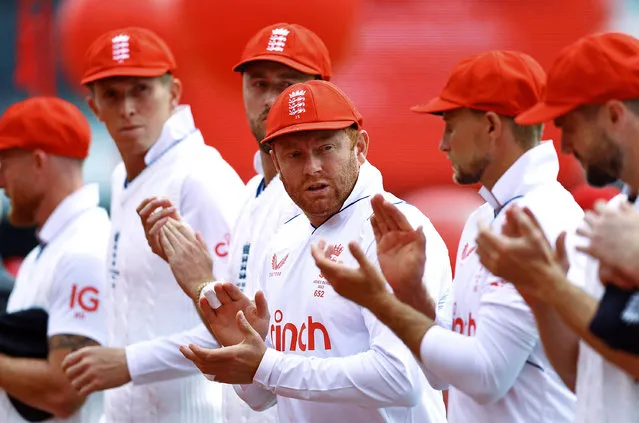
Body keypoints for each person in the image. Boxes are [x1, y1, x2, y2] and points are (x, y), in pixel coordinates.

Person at [311, 50, 583, 423]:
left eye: (451, 125)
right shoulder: (487, 216)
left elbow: (487, 377)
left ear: (491, 126)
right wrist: (410, 293)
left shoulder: (539, 217)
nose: (443, 143)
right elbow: (443, 374)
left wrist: (380, 301)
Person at [158, 80, 452, 423]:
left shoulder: (392, 229)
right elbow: (265, 397)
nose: (312, 167)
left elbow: (400, 378)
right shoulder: (284, 239)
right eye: (295, 154)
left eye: (326, 148)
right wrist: (246, 351)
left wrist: (267, 364)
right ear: (276, 164)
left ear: (360, 147)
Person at [125, 22, 332, 423]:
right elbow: (243, 325)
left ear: (322, 90)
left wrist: (201, 282)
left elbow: (311, 338)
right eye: (258, 84)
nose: (270, 99)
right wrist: (192, 271)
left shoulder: (323, 197)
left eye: (287, 83)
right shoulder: (254, 188)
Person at [61, 27, 245, 423]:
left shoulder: (201, 177)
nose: (127, 107)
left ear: (174, 93)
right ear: (94, 106)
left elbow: (243, 324)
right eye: (112, 94)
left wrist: (130, 362)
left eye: (141, 90)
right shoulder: (121, 178)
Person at [475, 32, 639, 423]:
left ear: (615, 115)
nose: (563, 145)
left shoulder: (616, 226)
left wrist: (553, 286)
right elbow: (580, 373)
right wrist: (539, 291)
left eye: (569, 125)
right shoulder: (615, 214)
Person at [0, 97, 109, 422]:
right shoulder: (44, 252)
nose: (0, 181)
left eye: (4, 164)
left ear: (37, 162)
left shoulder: (83, 250)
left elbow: (64, 392)